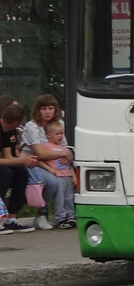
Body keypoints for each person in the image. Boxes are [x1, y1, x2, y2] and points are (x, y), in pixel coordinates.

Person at [20, 94, 70, 229]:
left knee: (66, 181)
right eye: (43, 109)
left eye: (50, 108)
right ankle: (41, 213)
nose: (47, 112)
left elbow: (63, 148)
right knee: (52, 182)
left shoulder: (58, 125)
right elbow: (40, 153)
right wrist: (63, 153)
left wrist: (65, 154)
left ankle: (65, 215)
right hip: (32, 164)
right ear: (38, 110)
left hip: (52, 164)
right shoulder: (32, 127)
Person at [0, 103, 38, 233]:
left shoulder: (10, 131)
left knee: (21, 172)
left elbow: (8, 156)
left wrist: (24, 161)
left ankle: (11, 218)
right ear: (16, 122)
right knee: (5, 174)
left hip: (3, 163)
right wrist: (22, 160)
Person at [38, 119, 77, 225]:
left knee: (69, 197)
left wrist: (73, 175)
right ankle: (60, 217)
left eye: (61, 133)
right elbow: (40, 160)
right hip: (58, 176)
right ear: (49, 135)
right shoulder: (46, 147)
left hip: (67, 175)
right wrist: (49, 169)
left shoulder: (63, 148)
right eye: (57, 134)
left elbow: (69, 163)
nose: (60, 136)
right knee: (60, 198)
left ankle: (71, 216)